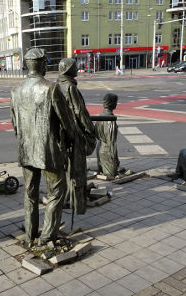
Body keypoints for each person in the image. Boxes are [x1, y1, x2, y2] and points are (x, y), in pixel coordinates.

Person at [10, 49, 81, 247]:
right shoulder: (51, 88)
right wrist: (71, 139)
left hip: (26, 150)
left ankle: (30, 234)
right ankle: (47, 236)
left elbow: (15, 124)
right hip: (49, 151)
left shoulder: (16, 91)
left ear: (26, 65)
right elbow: (67, 122)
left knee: (30, 194)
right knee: (57, 192)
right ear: (43, 65)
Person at [56, 58, 96, 215]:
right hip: (74, 134)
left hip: (61, 134)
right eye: (74, 67)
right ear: (68, 70)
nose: (77, 68)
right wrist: (90, 129)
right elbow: (79, 112)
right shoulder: (70, 87)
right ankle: (77, 204)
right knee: (77, 170)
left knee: (66, 169)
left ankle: (66, 197)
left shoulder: (56, 85)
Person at [96, 93, 120, 179]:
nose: (116, 104)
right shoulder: (110, 119)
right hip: (108, 152)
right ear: (111, 103)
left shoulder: (101, 115)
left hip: (100, 149)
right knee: (111, 175)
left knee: (105, 172)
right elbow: (111, 142)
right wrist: (115, 159)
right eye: (116, 102)